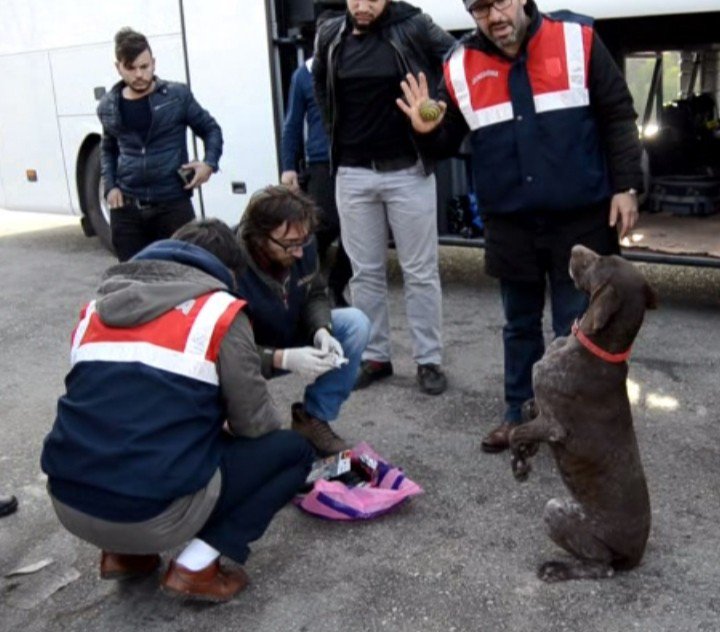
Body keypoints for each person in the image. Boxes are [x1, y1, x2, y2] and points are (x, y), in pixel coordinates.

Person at [397, 0, 642, 451]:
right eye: (480, 8)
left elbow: (618, 114)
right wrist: (425, 127)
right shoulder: (458, 64)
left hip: (579, 218)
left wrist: (626, 185)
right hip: (510, 220)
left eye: (502, 1)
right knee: (519, 325)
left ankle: (576, 423)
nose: (495, 16)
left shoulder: (578, 39)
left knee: (578, 328)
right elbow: (447, 136)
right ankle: (520, 415)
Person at [40, 219, 314, 603]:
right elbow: (255, 426)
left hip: (68, 501)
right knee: (291, 452)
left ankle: (125, 555)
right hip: (152, 515)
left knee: (136, 428)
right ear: (226, 271)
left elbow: (108, 405)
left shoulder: (96, 310)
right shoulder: (219, 311)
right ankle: (195, 568)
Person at [313, 0, 455, 395]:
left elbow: (459, 60)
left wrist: (435, 106)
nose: (361, 6)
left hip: (407, 170)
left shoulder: (414, 25)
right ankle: (376, 357)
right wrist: (334, 143)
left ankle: (429, 361)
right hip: (353, 173)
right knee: (365, 273)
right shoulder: (329, 33)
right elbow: (320, 88)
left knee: (420, 271)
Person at [234, 186, 371, 456]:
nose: (299, 253)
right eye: (290, 244)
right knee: (259, 450)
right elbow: (221, 351)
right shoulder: (231, 265)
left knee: (355, 323)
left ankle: (313, 418)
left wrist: (322, 330)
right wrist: (281, 359)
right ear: (259, 237)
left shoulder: (303, 245)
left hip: (290, 331)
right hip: (244, 353)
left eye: (303, 241)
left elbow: (315, 293)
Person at [97, 27, 223, 262]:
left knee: (185, 276)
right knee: (134, 281)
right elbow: (108, 149)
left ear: (153, 63)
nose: (139, 75)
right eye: (131, 68)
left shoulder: (177, 96)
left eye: (144, 67)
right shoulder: (108, 106)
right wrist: (110, 187)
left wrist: (209, 164)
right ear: (118, 68)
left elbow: (211, 129)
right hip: (128, 209)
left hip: (172, 203)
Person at [280, 41, 352, 307]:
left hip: (355, 158)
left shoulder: (353, 66)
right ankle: (302, 278)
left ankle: (335, 287)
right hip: (321, 162)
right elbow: (293, 123)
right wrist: (289, 166)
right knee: (325, 225)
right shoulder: (304, 75)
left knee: (357, 233)